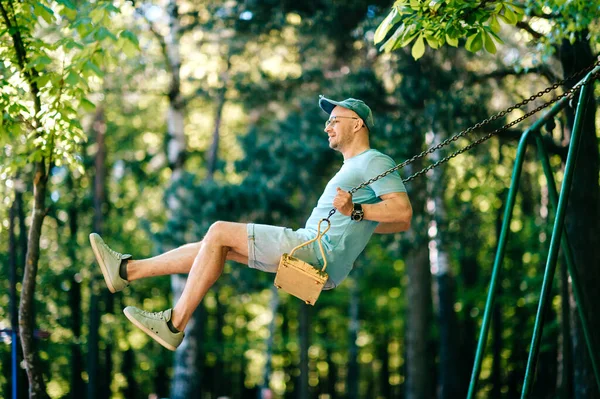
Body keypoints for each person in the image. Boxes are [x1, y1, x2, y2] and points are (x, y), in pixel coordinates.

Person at [89, 96, 413, 351]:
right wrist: (359, 217)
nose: (327, 127)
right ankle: (127, 271)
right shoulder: (357, 166)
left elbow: (402, 215)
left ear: (356, 124)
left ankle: (174, 324)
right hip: (317, 254)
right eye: (327, 121)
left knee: (218, 231)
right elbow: (383, 222)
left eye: (334, 120)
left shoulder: (373, 160)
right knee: (216, 247)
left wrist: (356, 211)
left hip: (313, 249)